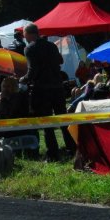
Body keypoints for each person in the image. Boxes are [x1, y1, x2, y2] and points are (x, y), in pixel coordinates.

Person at [20, 23, 76, 161]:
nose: (24, 37)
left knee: (47, 123)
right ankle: (72, 149)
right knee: (62, 119)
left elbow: (32, 71)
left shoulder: (29, 49)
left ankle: (53, 153)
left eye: (24, 34)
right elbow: (60, 61)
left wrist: (22, 79)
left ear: (29, 34)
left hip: (42, 89)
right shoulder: (51, 45)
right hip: (57, 87)